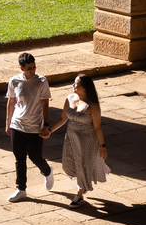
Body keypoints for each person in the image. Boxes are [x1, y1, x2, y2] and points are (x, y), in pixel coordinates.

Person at [47, 74, 109, 206]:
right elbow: (63, 119)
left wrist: (102, 146)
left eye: (76, 83)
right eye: (74, 83)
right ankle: (83, 182)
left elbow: (97, 127)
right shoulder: (69, 98)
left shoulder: (92, 105)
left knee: (82, 164)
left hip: (88, 140)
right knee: (68, 163)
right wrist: (50, 130)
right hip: (71, 137)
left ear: (84, 87)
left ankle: (79, 194)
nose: (73, 85)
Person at [4, 52, 54, 202]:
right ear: (22, 68)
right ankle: (21, 189)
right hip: (17, 125)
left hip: (34, 127)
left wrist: (45, 125)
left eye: (34, 67)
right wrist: (8, 123)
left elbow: (45, 104)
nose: (33, 70)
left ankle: (47, 171)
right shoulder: (14, 81)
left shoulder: (41, 81)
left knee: (35, 156)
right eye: (29, 68)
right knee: (19, 158)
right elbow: (11, 102)